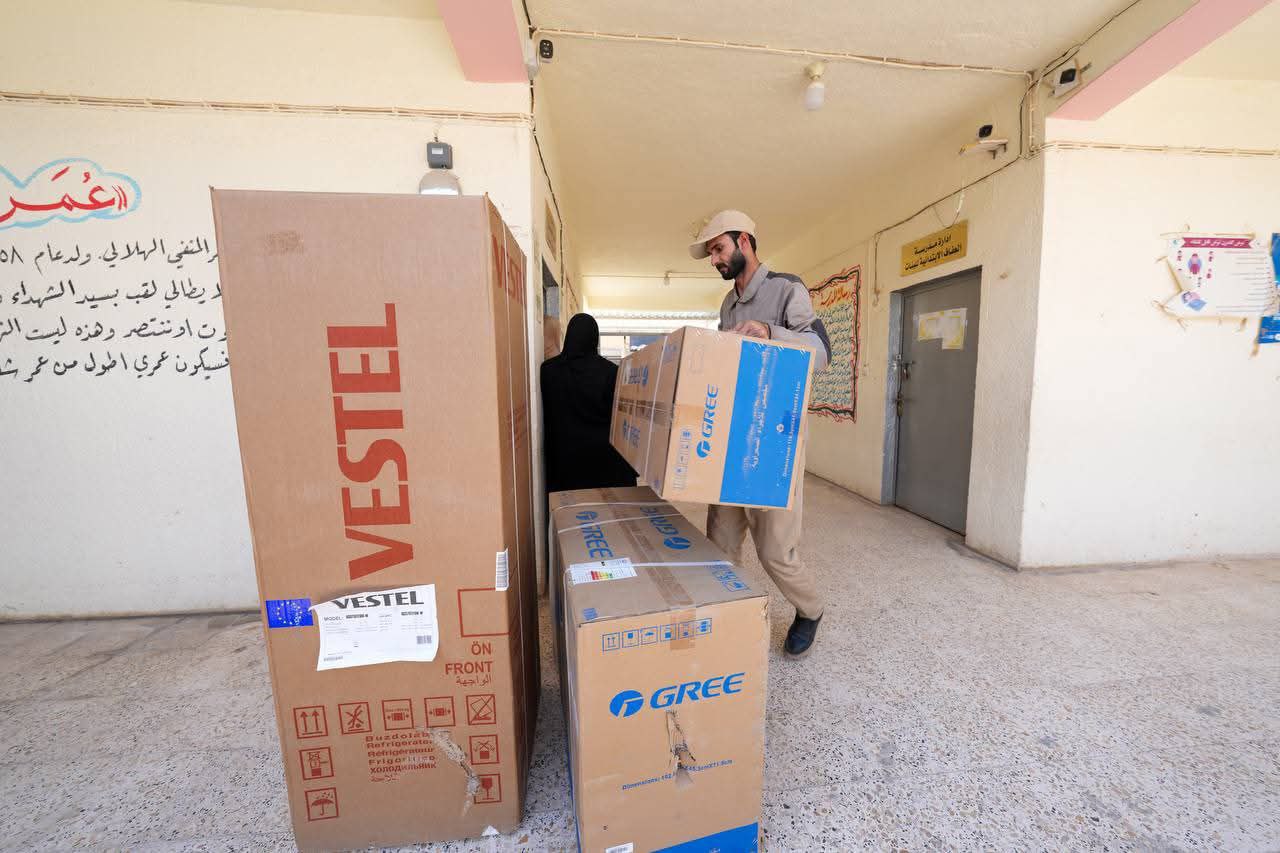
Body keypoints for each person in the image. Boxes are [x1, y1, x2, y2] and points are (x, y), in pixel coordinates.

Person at [689, 209, 832, 656]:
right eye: (711, 253)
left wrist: (770, 331)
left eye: (718, 249)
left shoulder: (787, 288)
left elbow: (821, 353)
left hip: (776, 443)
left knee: (774, 552)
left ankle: (810, 609)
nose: (715, 259)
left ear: (745, 241)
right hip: (732, 437)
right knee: (721, 542)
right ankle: (729, 617)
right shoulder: (727, 305)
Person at [540, 313, 637, 494]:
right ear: (595, 339)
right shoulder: (611, 371)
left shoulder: (548, 371)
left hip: (564, 464)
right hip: (605, 463)